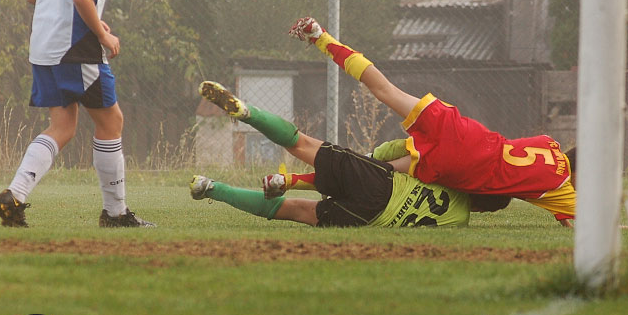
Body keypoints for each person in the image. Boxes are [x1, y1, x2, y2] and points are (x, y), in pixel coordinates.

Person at [287, 17, 576, 227]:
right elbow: (582, 219)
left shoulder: (549, 143)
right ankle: (290, 181)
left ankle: (320, 36)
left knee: (385, 89)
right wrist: (567, 212)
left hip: (465, 131)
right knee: (377, 172)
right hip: (461, 163)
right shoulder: (562, 188)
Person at [0, 0, 154, 228]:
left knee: (62, 126)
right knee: (111, 121)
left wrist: (86, 18)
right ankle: (115, 213)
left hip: (44, 47)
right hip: (75, 49)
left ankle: (14, 195)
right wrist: (102, 34)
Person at [190, 81, 511, 228]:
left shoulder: (450, 175)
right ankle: (211, 189)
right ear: (481, 209)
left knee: (301, 144)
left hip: (382, 184)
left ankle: (248, 113)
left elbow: (392, 160)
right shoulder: (458, 221)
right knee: (295, 210)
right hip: (370, 218)